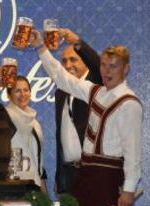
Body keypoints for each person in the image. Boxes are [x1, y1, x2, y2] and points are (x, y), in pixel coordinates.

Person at [30, 30, 143, 206]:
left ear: (125, 69)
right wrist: (41, 47)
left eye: (113, 66)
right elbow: (61, 77)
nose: (107, 71)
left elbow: (133, 151)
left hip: (108, 177)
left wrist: (129, 189)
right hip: (85, 174)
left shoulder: (129, 103)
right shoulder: (95, 92)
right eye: (104, 66)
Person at [54, 29, 102, 195]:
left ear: (85, 62)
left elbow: (99, 64)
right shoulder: (60, 91)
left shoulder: (97, 84)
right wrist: (59, 177)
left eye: (73, 59)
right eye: (64, 61)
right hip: (68, 173)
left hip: (93, 172)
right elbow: (62, 135)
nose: (68, 65)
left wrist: (78, 42)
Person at [0, 68, 47, 192]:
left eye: (26, 90)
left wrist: (44, 190)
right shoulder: (5, 116)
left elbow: (38, 160)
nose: (22, 94)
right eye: (17, 90)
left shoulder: (35, 123)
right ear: (9, 95)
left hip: (34, 185)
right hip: (12, 185)